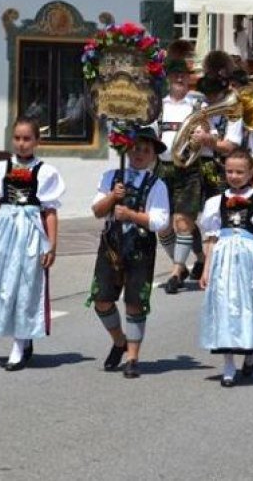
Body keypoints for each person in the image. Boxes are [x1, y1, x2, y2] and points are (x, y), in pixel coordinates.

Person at [0, 116, 65, 370]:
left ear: (37, 141)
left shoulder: (45, 172)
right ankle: (22, 340)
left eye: (27, 139)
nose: (22, 143)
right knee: (5, 286)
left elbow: (50, 212)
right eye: (17, 138)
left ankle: (18, 344)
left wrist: (52, 245)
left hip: (31, 233)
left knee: (25, 286)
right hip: (3, 232)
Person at [88, 128, 170, 379]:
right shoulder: (112, 177)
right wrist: (113, 197)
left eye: (146, 150)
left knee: (135, 302)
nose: (139, 153)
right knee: (101, 298)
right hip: (111, 245)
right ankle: (119, 340)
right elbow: (97, 210)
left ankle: (133, 357)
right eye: (135, 148)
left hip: (140, 247)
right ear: (126, 149)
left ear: (153, 156)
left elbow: (160, 221)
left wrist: (133, 215)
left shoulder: (157, 185)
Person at [198, 148, 253, 387]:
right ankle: (228, 364)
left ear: (251, 172)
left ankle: (252, 347)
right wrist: (206, 270)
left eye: (240, 172)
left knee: (251, 304)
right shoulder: (216, 202)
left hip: (249, 256)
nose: (234, 176)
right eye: (230, 171)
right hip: (223, 257)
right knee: (224, 305)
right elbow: (212, 239)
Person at [155, 40, 207, 293]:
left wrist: (204, 138)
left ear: (189, 78)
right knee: (162, 225)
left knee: (183, 222)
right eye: (175, 75)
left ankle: (176, 271)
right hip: (162, 170)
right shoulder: (158, 105)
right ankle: (185, 262)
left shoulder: (199, 105)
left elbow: (212, 137)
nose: (179, 79)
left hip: (188, 170)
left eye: (183, 75)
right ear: (167, 78)